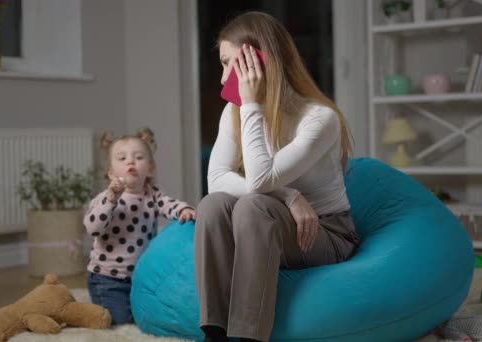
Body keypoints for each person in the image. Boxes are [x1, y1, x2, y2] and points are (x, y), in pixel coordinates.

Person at [194, 11, 360, 342]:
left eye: (230, 63)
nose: (225, 75)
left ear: (259, 62)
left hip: (326, 231)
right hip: (274, 222)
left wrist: (253, 104)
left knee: (252, 206)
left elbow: (259, 182)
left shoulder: (319, 119)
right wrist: (290, 196)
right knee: (213, 205)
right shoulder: (234, 111)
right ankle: (215, 332)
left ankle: (250, 337)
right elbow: (215, 180)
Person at [84, 128, 196, 325]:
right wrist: (111, 200)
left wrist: (182, 210)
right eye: (122, 158)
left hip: (141, 277)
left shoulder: (153, 196)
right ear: (111, 173)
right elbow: (93, 228)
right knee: (119, 322)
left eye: (138, 157)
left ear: (150, 169)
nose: (130, 161)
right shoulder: (106, 199)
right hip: (107, 279)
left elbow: (169, 204)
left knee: (146, 318)